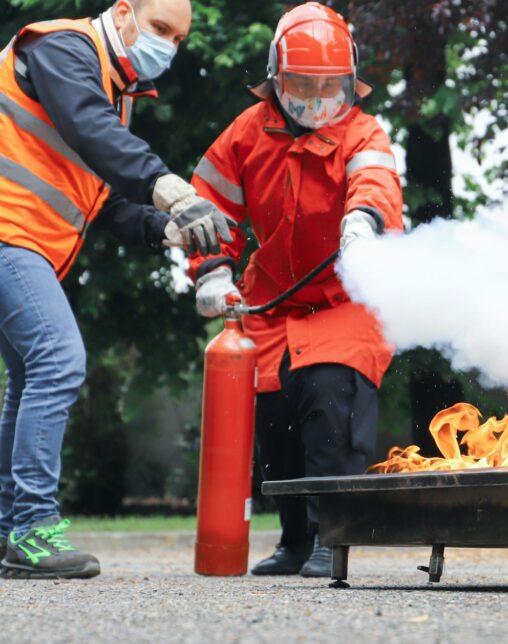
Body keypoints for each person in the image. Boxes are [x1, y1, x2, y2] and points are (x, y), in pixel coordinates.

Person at [0, 0, 235, 580]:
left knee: (31, 375)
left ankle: (10, 533)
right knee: (58, 360)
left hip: (25, 243)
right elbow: (90, 129)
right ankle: (31, 529)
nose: (168, 47)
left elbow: (103, 196)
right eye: (159, 29)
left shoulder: (115, 93)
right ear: (124, 12)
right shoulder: (61, 47)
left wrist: (166, 228)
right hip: (8, 233)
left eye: (178, 39)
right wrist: (170, 188)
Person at [189, 2, 402, 577]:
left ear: (349, 82)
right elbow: (209, 205)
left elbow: (376, 180)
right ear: (276, 80)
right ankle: (294, 540)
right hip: (272, 301)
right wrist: (211, 270)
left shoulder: (363, 131)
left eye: (329, 86)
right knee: (274, 416)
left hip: (343, 303)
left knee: (330, 403)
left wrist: (364, 221)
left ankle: (335, 537)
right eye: (301, 85)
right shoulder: (247, 132)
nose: (316, 98)